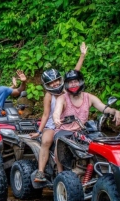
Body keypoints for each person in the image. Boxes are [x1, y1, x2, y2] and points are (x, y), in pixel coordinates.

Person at [31, 42, 88, 182]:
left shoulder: (68, 90)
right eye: (51, 83)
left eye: (57, 81)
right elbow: (45, 115)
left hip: (72, 122)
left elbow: (75, 73)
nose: (55, 84)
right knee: (47, 141)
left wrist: (82, 55)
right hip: (53, 124)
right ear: (47, 85)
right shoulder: (48, 96)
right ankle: (40, 171)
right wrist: (39, 131)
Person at [53, 70, 120, 173]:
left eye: (75, 81)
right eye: (70, 82)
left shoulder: (88, 97)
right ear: (66, 84)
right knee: (60, 142)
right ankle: (60, 173)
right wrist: (56, 119)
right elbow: (57, 111)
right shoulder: (62, 98)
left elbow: (104, 108)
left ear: (80, 81)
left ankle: (103, 170)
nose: (73, 84)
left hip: (82, 130)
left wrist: (115, 111)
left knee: (100, 142)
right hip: (64, 130)